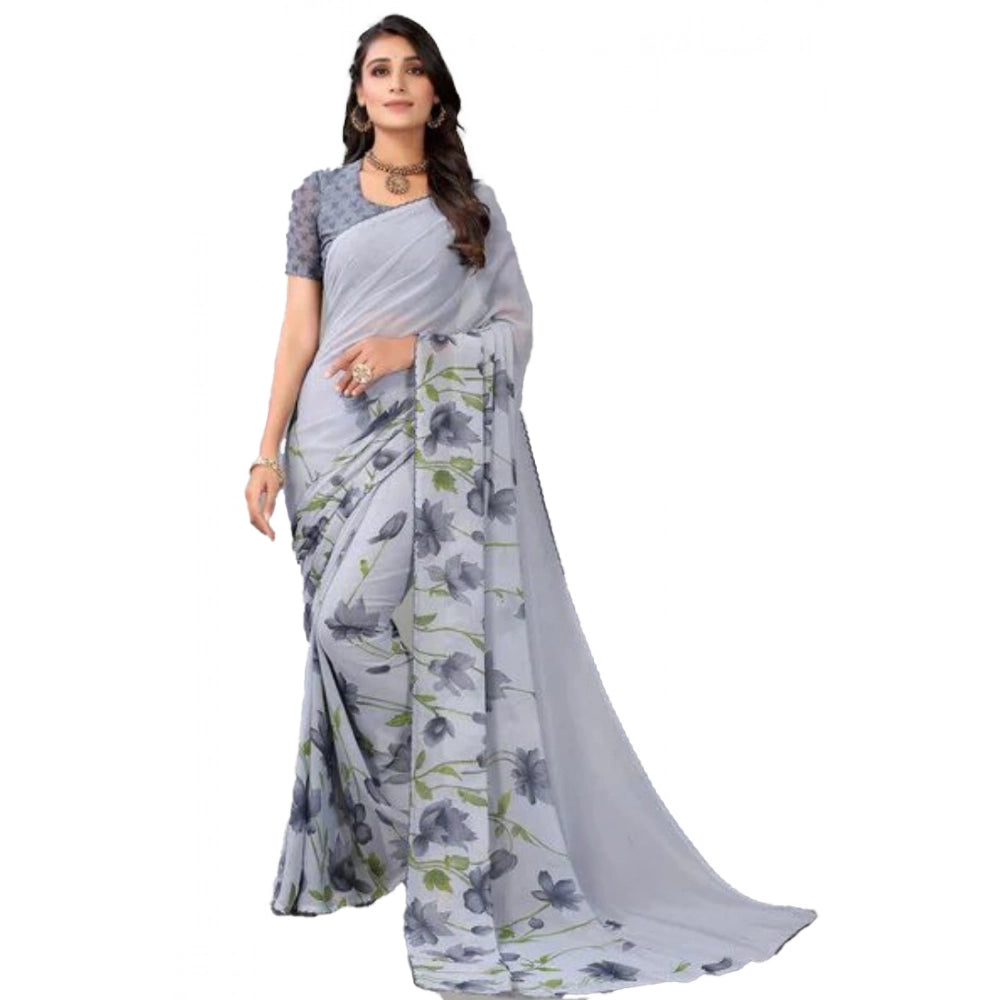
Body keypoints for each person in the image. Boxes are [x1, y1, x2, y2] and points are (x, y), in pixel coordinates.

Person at [246, 14, 817, 1000]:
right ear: (359, 95)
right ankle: (401, 827)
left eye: (413, 70)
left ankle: (439, 838)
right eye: (379, 70)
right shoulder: (317, 198)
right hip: (330, 450)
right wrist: (264, 450)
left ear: (435, 97)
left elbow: (513, 330)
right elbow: (298, 330)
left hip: (428, 446)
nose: (396, 83)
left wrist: (410, 354)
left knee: (384, 626)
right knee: (340, 632)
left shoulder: (471, 208)